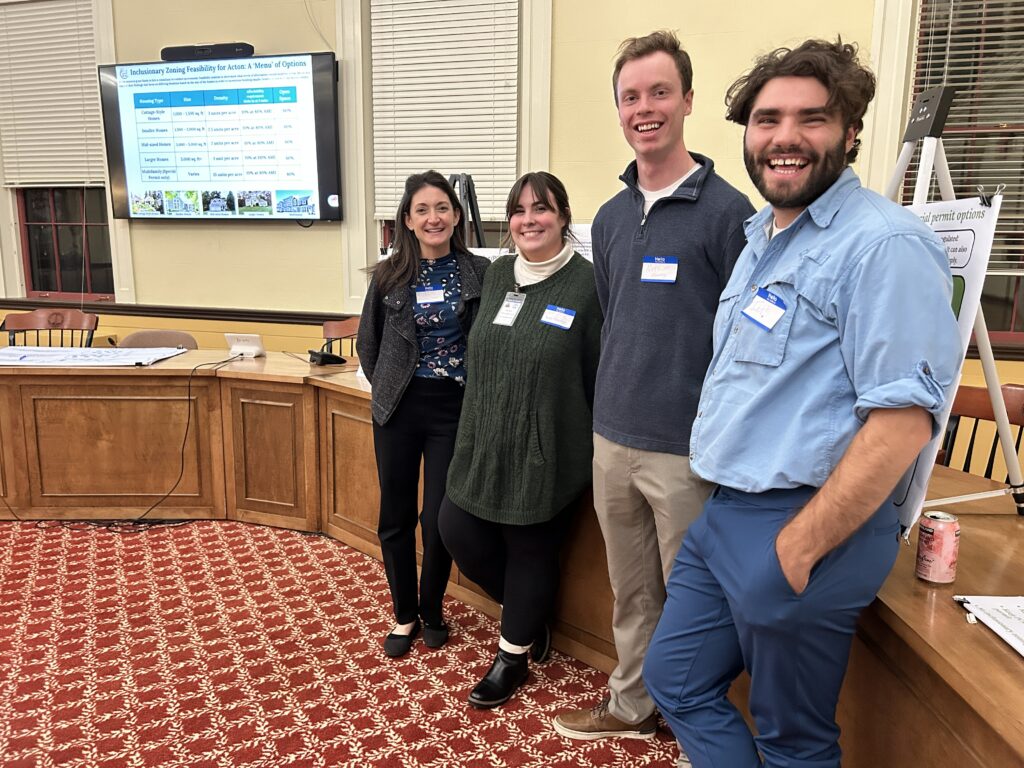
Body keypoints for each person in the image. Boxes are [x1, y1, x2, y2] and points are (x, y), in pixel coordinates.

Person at [642, 39, 963, 768]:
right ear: (748, 134)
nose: (784, 137)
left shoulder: (884, 245)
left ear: (850, 132)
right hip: (726, 511)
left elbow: (903, 421)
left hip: (807, 524)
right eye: (766, 119)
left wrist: (801, 547)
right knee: (676, 680)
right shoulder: (763, 238)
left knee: (793, 741)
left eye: (811, 119)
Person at [553, 31, 753, 741]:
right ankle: (632, 708)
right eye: (631, 96)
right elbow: (615, 318)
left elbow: (746, 340)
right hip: (613, 439)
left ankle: (693, 718)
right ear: (618, 110)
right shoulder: (607, 219)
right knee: (632, 591)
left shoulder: (731, 214)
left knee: (697, 599)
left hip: (686, 448)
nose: (645, 108)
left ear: (687, 101)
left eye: (659, 92)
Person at [438, 171, 601, 709]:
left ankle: (512, 656)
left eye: (542, 209)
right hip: (483, 436)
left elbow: (598, 371)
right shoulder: (498, 272)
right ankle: (526, 615)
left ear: (563, 217)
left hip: (547, 444)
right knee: (454, 527)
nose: (529, 220)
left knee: (531, 546)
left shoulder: (587, 285)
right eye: (519, 211)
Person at [355, 171, 490, 658]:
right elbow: (367, 345)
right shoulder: (389, 275)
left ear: (455, 216)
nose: (433, 217)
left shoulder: (480, 273)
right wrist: (390, 388)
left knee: (438, 519)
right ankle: (404, 614)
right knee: (394, 514)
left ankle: (432, 607)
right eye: (422, 210)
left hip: (453, 408)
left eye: (442, 208)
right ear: (408, 222)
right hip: (398, 408)